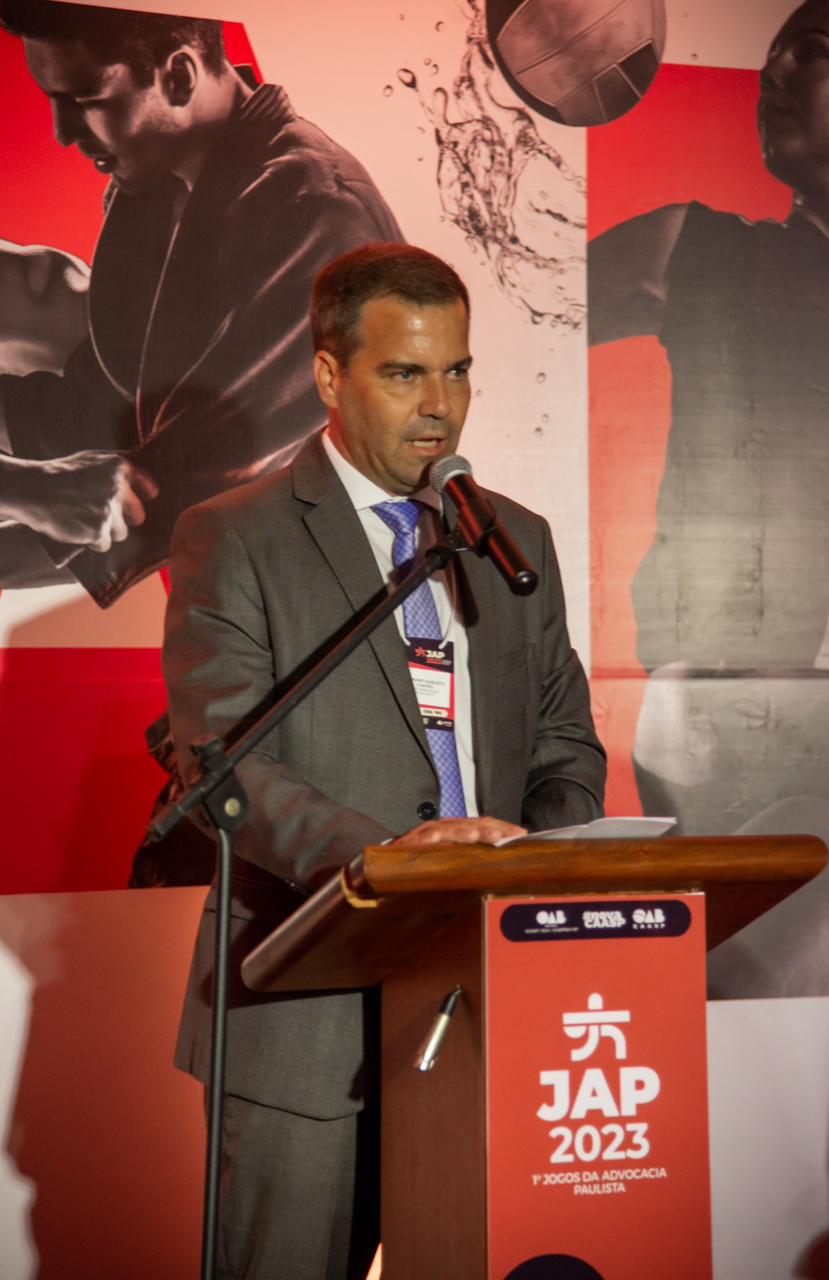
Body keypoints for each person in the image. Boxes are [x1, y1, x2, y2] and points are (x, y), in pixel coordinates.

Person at [163, 242, 606, 1278]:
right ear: (330, 375)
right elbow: (225, 764)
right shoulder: (235, 537)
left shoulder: (512, 539)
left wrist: (527, 862)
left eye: (456, 371)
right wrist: (399, 863)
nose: (439, 406)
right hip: (303, 1018)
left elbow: (563, 744)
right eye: (404, 373)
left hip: (483, 1003)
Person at [588, 0, 829, 995]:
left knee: (748, 995)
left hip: (818, 714)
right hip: (713, 717)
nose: (771, 74)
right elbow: (491, 322)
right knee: (724, 999)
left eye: (809, 53)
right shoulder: (695, 248)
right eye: (769, 56)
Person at [0, 1, 401, 604]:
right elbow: (106, 402)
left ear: (180, 77)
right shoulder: (156, 185)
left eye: (83, 99)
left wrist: (29, 499)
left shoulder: (317, 214)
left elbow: (176, 489)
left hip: (322, 604)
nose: (62, 132)